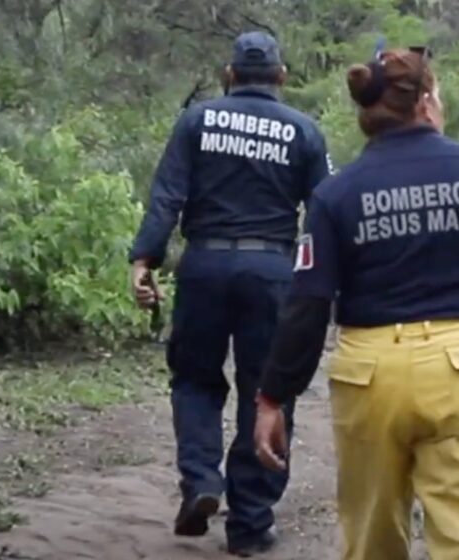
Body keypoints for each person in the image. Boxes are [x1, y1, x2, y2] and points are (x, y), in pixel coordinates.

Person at [252, 43, 459, 560]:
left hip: (371, 374)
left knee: (372, 536)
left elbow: (309, 303)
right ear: (427, 101)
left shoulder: (337, 194)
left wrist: (274, 395)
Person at [128, 30, 332, 557]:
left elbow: (167, 195)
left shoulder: (198, 119)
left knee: (194, 378)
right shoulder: (304, 130)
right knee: (267, 390)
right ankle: (250, 523)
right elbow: (324, 211)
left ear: (230, 74)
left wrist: (144, 259)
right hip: (271, 268)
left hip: (205, 265)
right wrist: (321, 280)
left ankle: (201, 481)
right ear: (282, 77)